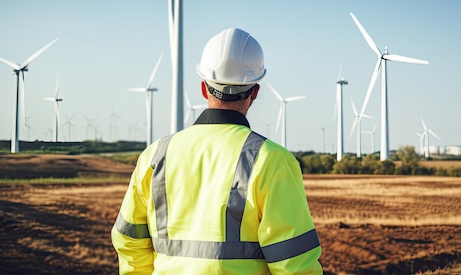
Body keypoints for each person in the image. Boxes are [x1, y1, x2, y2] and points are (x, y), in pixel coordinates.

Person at [112, 27, 323, 274]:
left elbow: (128, 242)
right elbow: (294, 264)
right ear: (255, 92)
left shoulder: (155, 156)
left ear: (204, 88)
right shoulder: (271, 160)